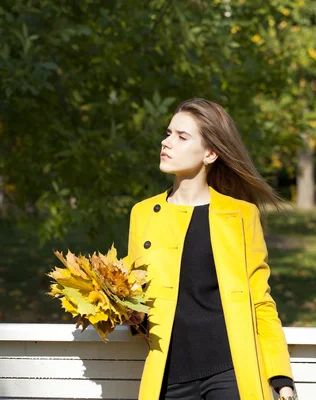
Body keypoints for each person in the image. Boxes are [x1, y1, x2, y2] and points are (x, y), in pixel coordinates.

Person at [124, 98, 296, 400]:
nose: (167, 143)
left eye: (182, 137)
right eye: (168, 133)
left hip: (230, 373)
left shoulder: (241, 215)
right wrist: (129, 314)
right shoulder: (142, 214)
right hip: (168, 376)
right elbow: (136, 296)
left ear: (210, 153)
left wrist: (280, 377)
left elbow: (260, 301)